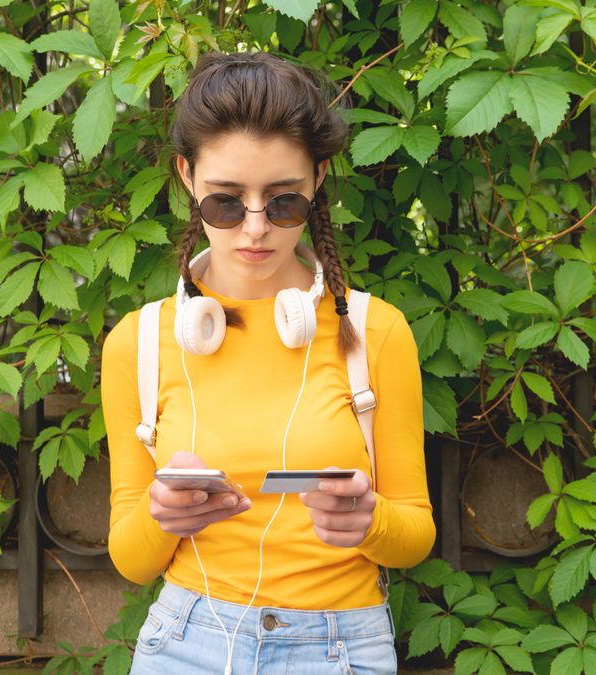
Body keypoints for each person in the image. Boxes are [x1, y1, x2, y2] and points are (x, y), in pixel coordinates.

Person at [100, 50, 436, 675]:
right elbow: (130, 559)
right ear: (185, 177)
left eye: (283, 202)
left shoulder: (375, 331)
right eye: (225, 203)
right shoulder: (139, 342)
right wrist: (160, 517)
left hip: (342, 646)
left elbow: (414, 536)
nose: (254, 228)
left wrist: (369, 521)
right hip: (186, 641)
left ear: (319, 179)